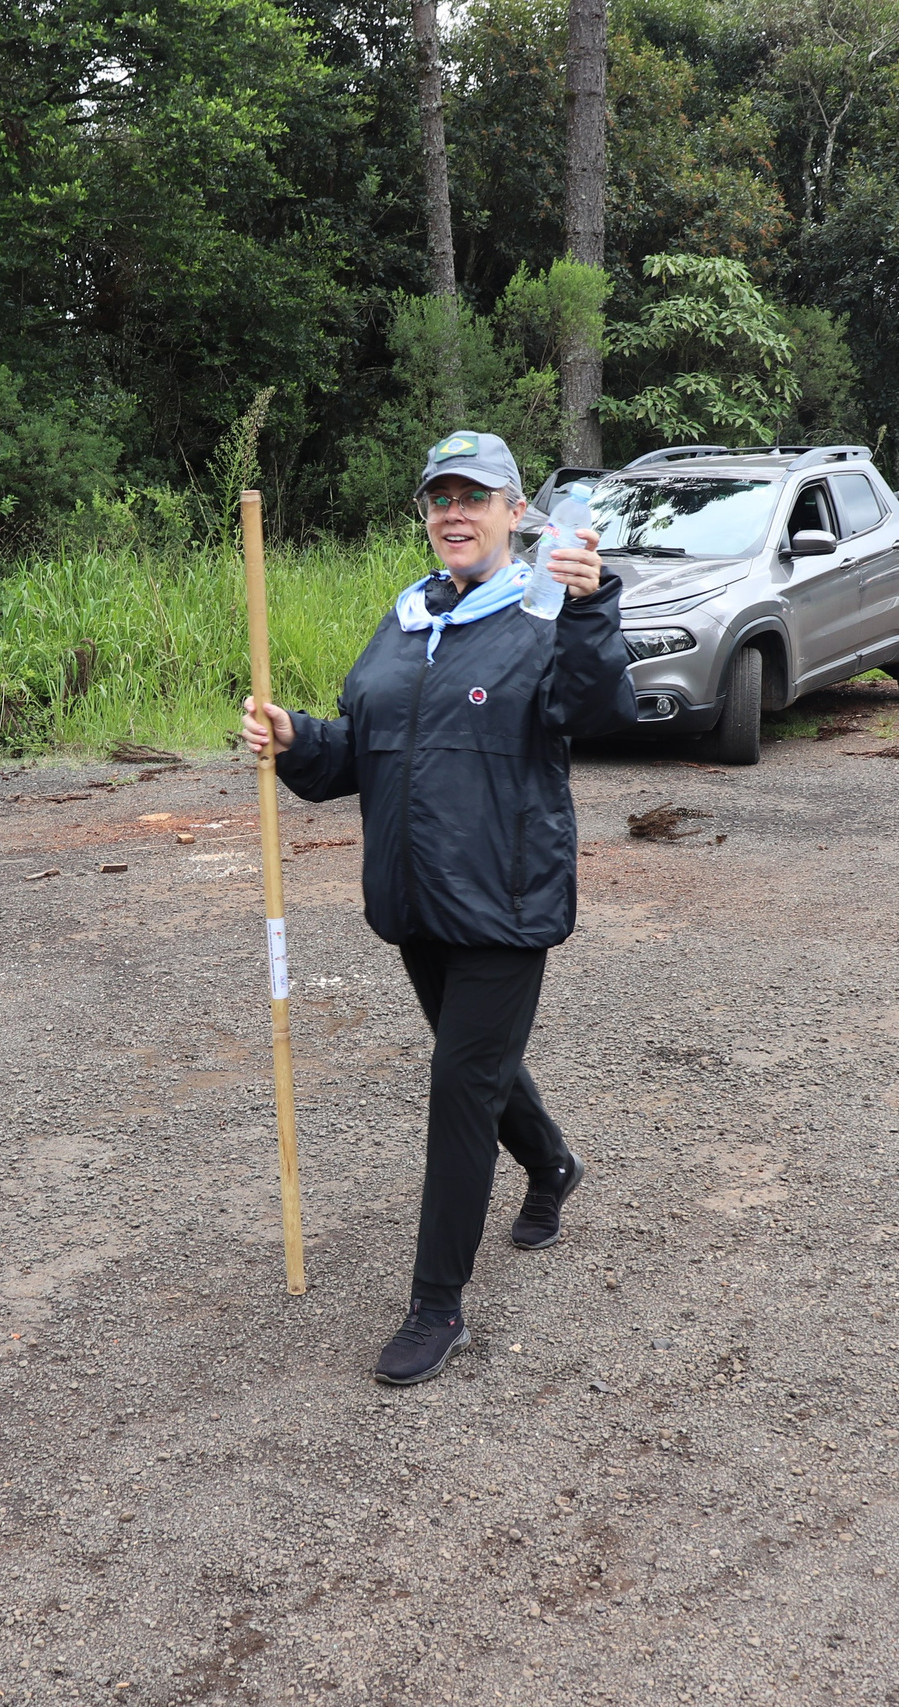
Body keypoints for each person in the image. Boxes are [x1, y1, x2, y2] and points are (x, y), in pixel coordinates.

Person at [240, 431, 639, 1386]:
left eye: (474, 496)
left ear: (513, 512)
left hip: (505, 902)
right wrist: (300, 737)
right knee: (483, 1068)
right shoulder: (406, 619)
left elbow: (602, 709)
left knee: (460, 1084)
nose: (453, 512)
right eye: (439, 497)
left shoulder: (543, 615)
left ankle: (436, 1306)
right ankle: (551, 1164)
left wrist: (593, 605)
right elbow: (360, 752)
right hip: (417, 900)